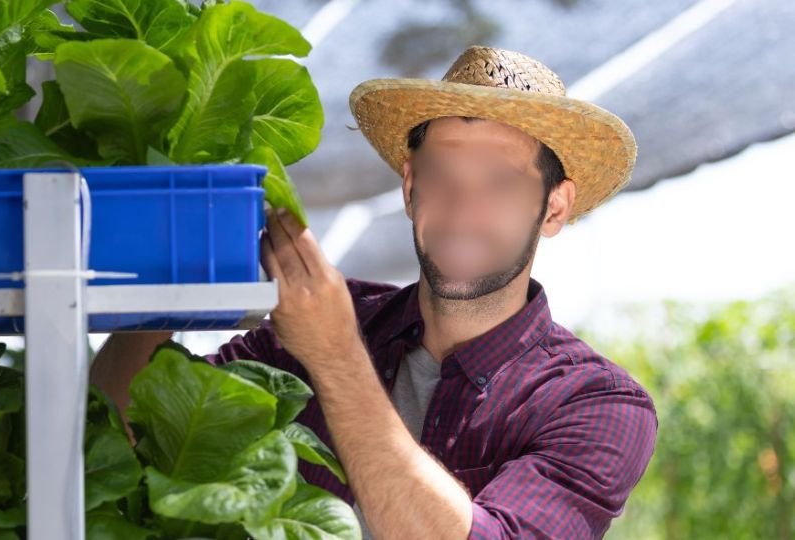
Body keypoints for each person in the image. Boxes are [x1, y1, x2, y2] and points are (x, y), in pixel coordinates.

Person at [91, 46, 657, 540]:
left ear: (553, 207)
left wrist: (334, 353)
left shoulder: (595, 403)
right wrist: (164, 246)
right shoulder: (325, 321)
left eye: (499, 182)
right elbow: (130, 429)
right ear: (410, 187)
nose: (462, 206)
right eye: (441, 174)